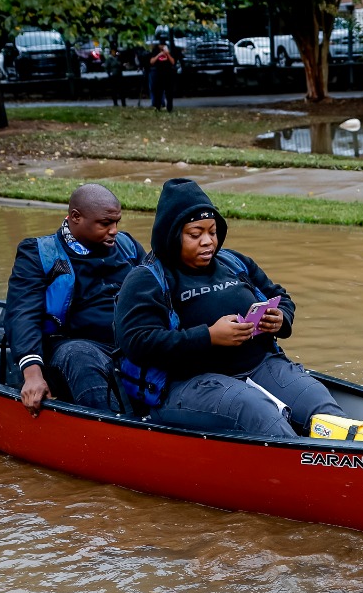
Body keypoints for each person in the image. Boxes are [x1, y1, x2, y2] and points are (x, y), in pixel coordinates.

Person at [113, 177, 345, 436]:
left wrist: (281, 318)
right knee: (262, 416)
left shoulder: (234, 262)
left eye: (212, 232)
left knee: (323, 409)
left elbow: (280, 295)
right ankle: (303, 467)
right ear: (171, 235)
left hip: (260, 366)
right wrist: (209, 337)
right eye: (195, 234)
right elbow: (135, 341)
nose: (207, 241)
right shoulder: (146, 279)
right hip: (187, 384)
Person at [4, 184, 144, 416]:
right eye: (105, 223)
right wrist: (32, 374)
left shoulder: (128, 247)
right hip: (71, 346)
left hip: (129, 340)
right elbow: (22, 313)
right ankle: (110, 431)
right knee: (80, 355)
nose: (114, 230)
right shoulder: (39, 253)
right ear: (76, 217)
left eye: (117, 222)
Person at [147, 42, 176, 112]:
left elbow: (173, 62)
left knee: (169, 92)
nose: (162, 46)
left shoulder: (169, 51)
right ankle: (158, 106)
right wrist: (159, 55)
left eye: (163, 45)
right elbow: (151, 61)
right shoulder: (155, 51)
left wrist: (167, 54)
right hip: (158, 73)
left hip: (168, 73)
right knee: (158, 91)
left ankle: (169, 107)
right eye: (161, 45)